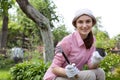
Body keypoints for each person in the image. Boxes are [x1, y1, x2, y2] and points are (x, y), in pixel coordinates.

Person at [43, 8, 106, 80]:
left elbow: (90, 66)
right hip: (56, 77)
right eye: (80, 22)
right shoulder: (67, 41)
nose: (84, 26)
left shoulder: (92, 40)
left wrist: (96, 61)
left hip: (74, 76)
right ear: (75, 24)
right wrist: (67, 72)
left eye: (88, 21)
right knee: (90, 75)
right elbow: (54, 68)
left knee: (100, 72)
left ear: (92, 23)